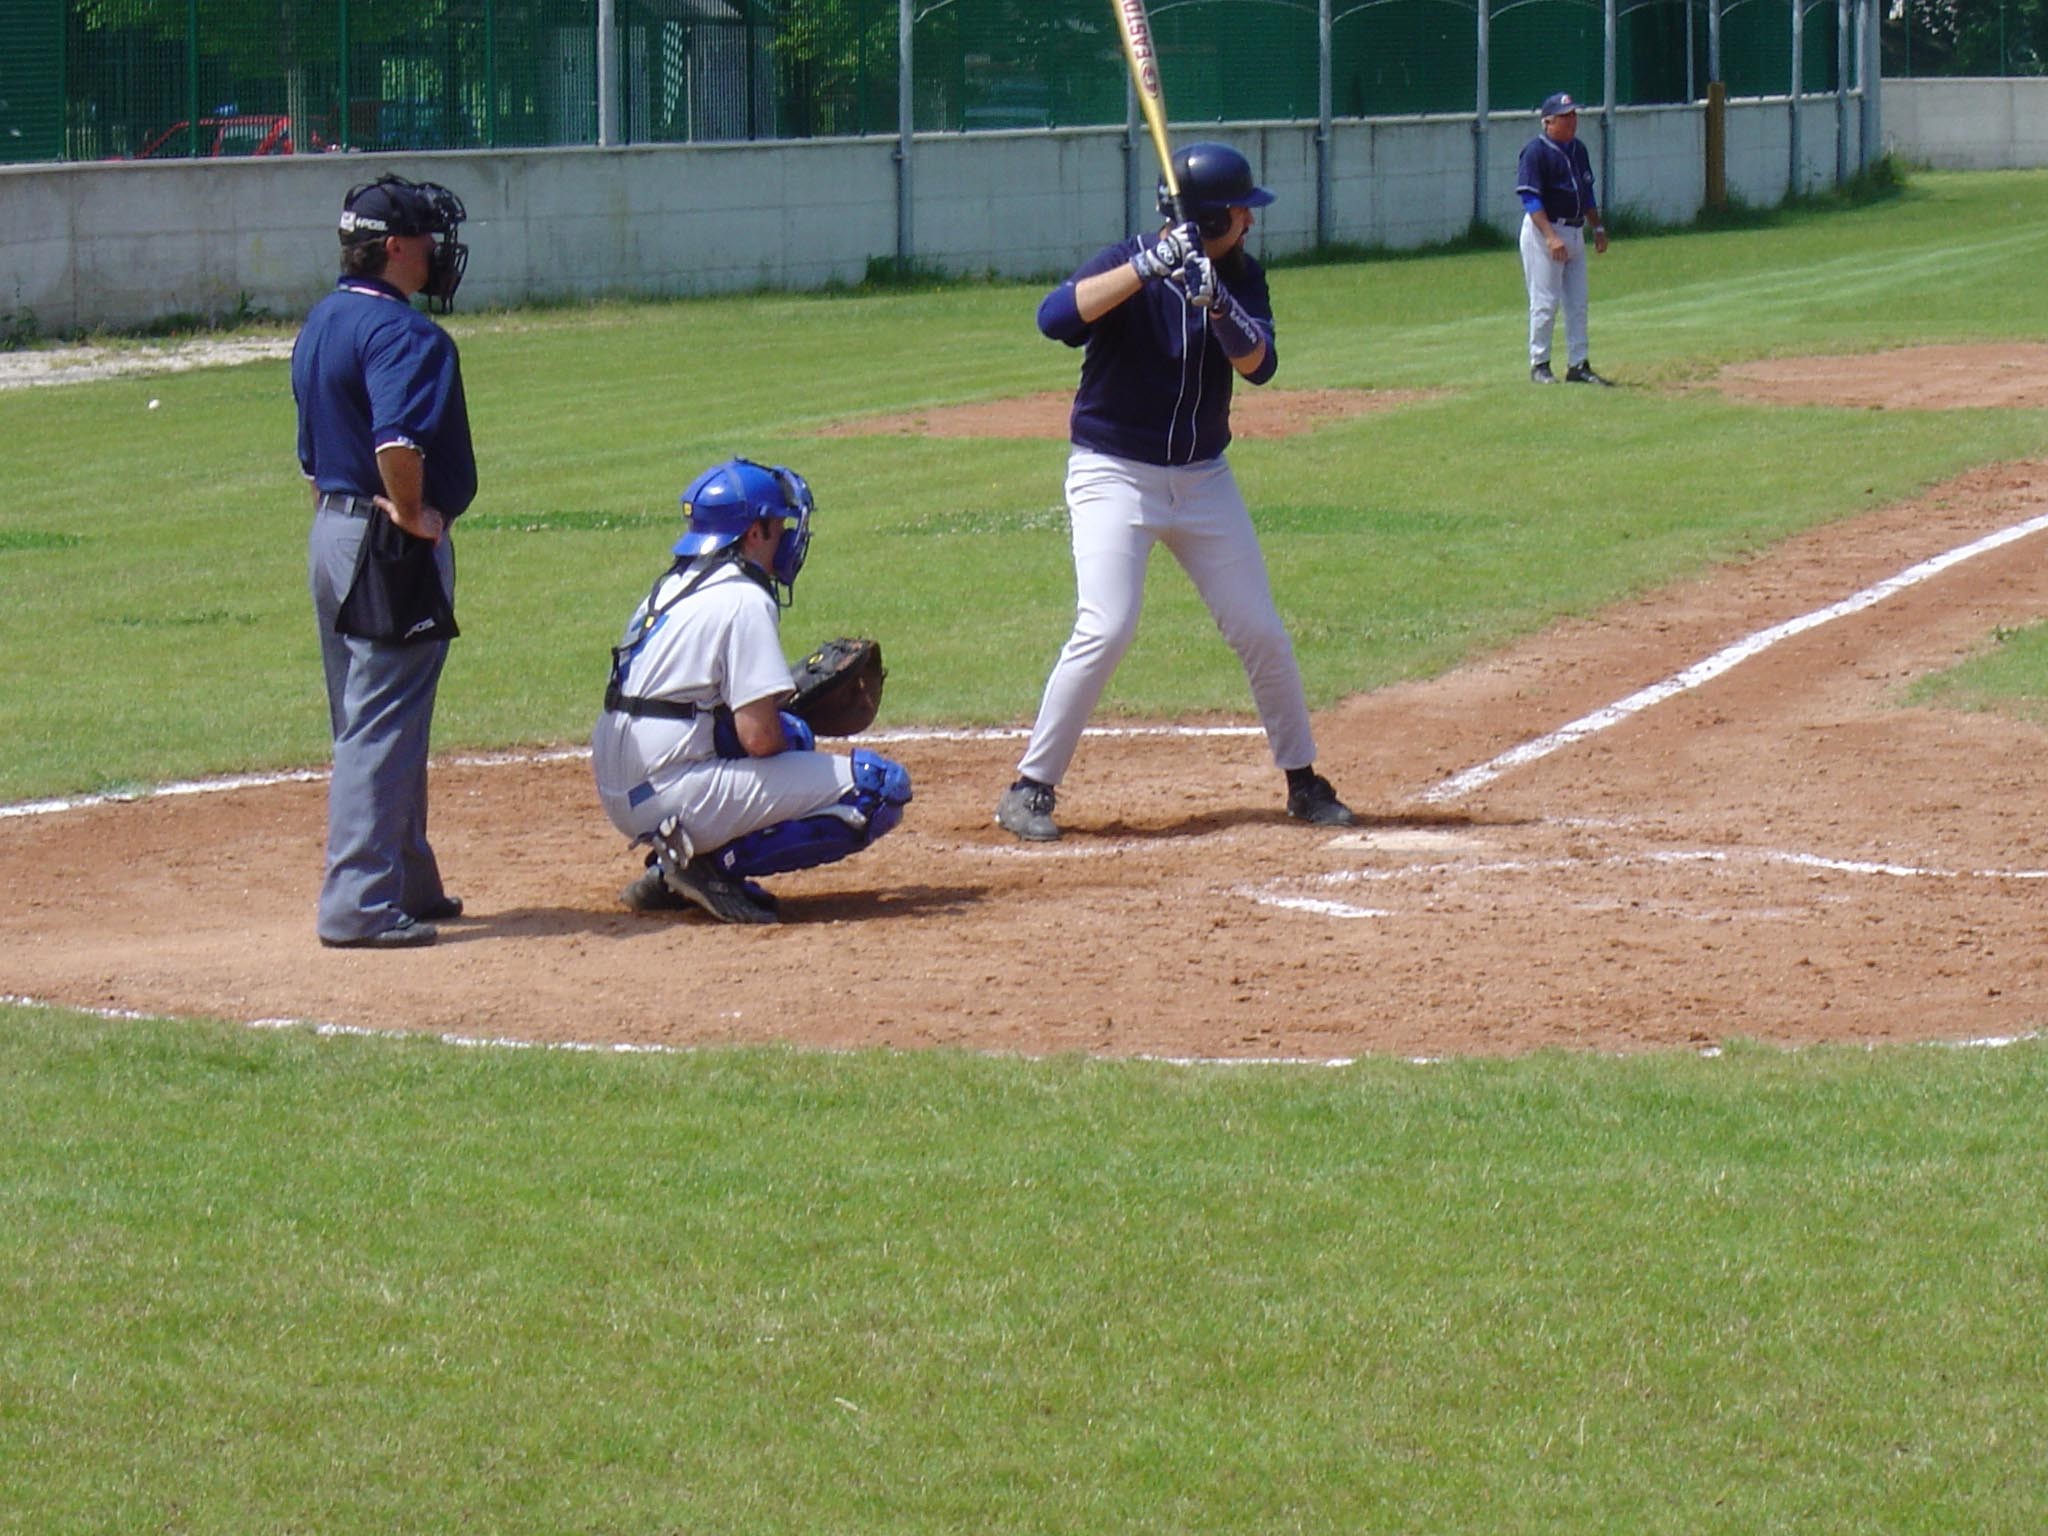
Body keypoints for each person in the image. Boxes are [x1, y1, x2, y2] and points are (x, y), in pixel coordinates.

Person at [994, 140, 1354, 843]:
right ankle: (1030, 788)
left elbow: (1260, 364)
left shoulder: (1240, 277)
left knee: (1260, 630)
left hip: (1203, 479)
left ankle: (1303, 782)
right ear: (1211, 218)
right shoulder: (1127, 259)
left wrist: (1217, 302)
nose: (1250, 224)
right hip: (1112, 474)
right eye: (1240, 214)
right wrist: (1145, 270)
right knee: (1107, 626)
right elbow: (1055, 318)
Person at [592, 459, 912, 925]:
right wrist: (792, 725)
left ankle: (678, 862)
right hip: (671, 794)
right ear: (753, 532)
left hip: (623, 787)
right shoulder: (745, 598)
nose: (786, 536)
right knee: (879, 789)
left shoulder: (670, 586)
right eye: (778, 524)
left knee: (790, 739)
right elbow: (759, 740)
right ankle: (701, 869)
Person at [292, 174, 476, 949]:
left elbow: (310, 455)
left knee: (369, 716)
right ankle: (359, 904)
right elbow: (397, 440)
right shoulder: (406, 334)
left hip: (334, 534)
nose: (437, 250)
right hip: (387, 542)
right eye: (426, 237)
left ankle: (406, 876)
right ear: (394, 247)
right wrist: (409, 514)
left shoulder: (324, 320)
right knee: (380, 721)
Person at [1517, 92, 1614, 386]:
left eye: (1574, 115)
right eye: (1565, 116)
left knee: (1578, 302)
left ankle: (1578, 365)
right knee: (1545, 302)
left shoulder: (1578, 149)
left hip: (1574, 232)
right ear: (1548, 122)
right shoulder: (1536, 151)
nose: (1572, 121)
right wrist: (1550, 237)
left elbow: (1586, 194)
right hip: (1544, 232)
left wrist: (1596, 227)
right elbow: (1530, 198)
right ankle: (1540, 364)